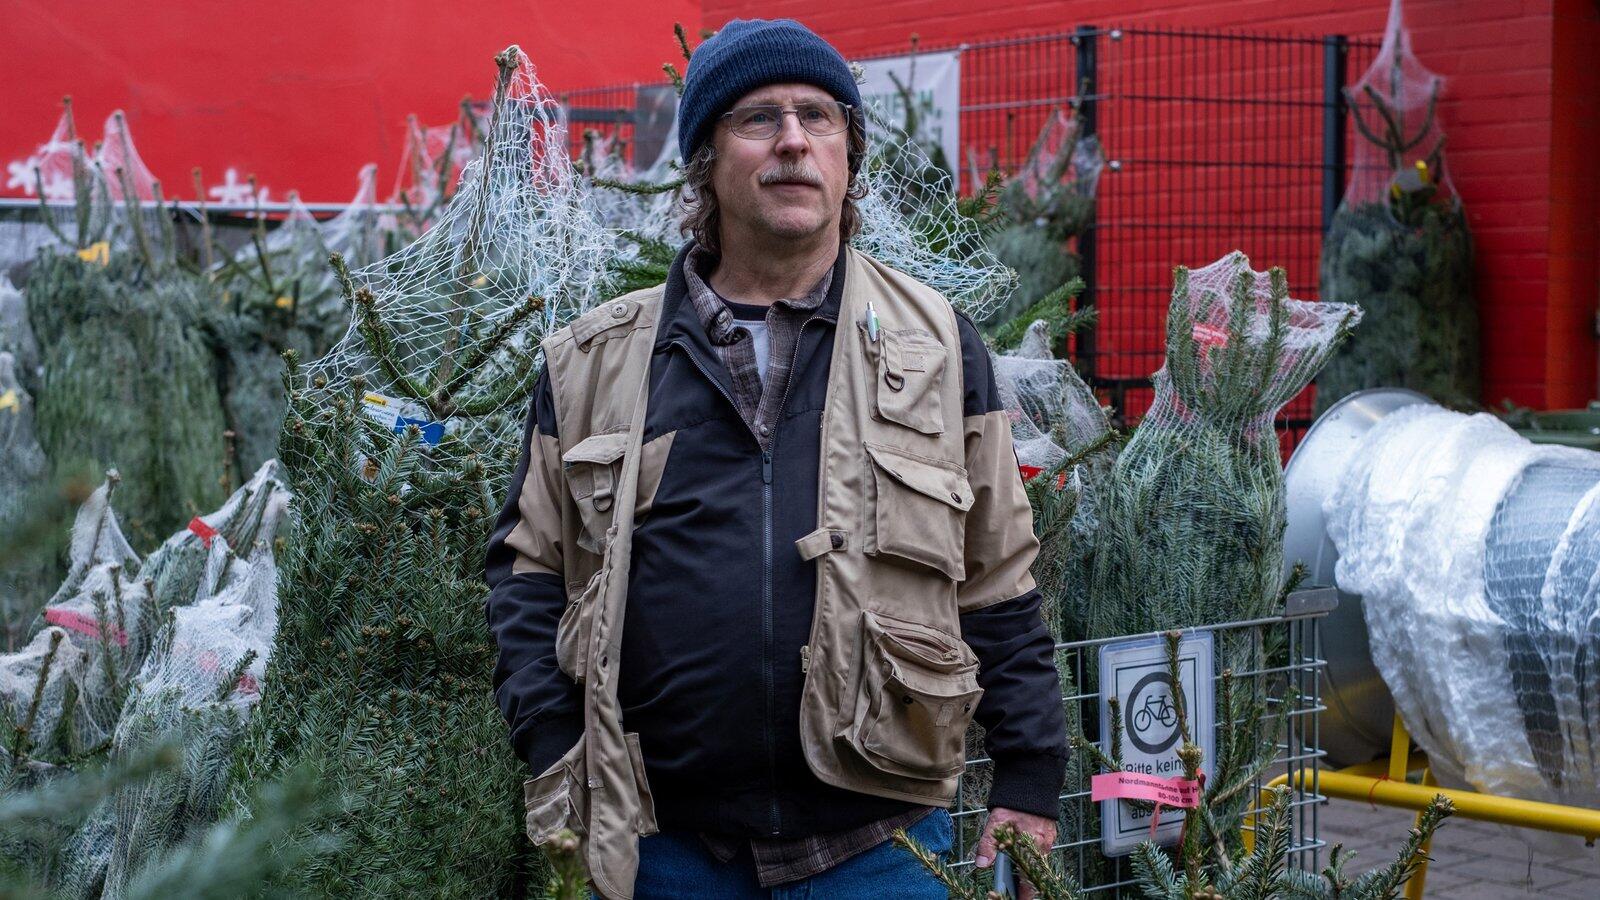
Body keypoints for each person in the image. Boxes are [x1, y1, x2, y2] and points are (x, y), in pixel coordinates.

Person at [484, 18, 1067, 899]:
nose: (794, 139)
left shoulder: (937, 345)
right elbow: (528, 574)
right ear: (707, 162)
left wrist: (1029, 778)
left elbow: (998, 577)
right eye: (759, 118)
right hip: (661, 852)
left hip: (881, 851)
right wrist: (555, 744)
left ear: (847, 154)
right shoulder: (594, 361)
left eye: (818, 116)